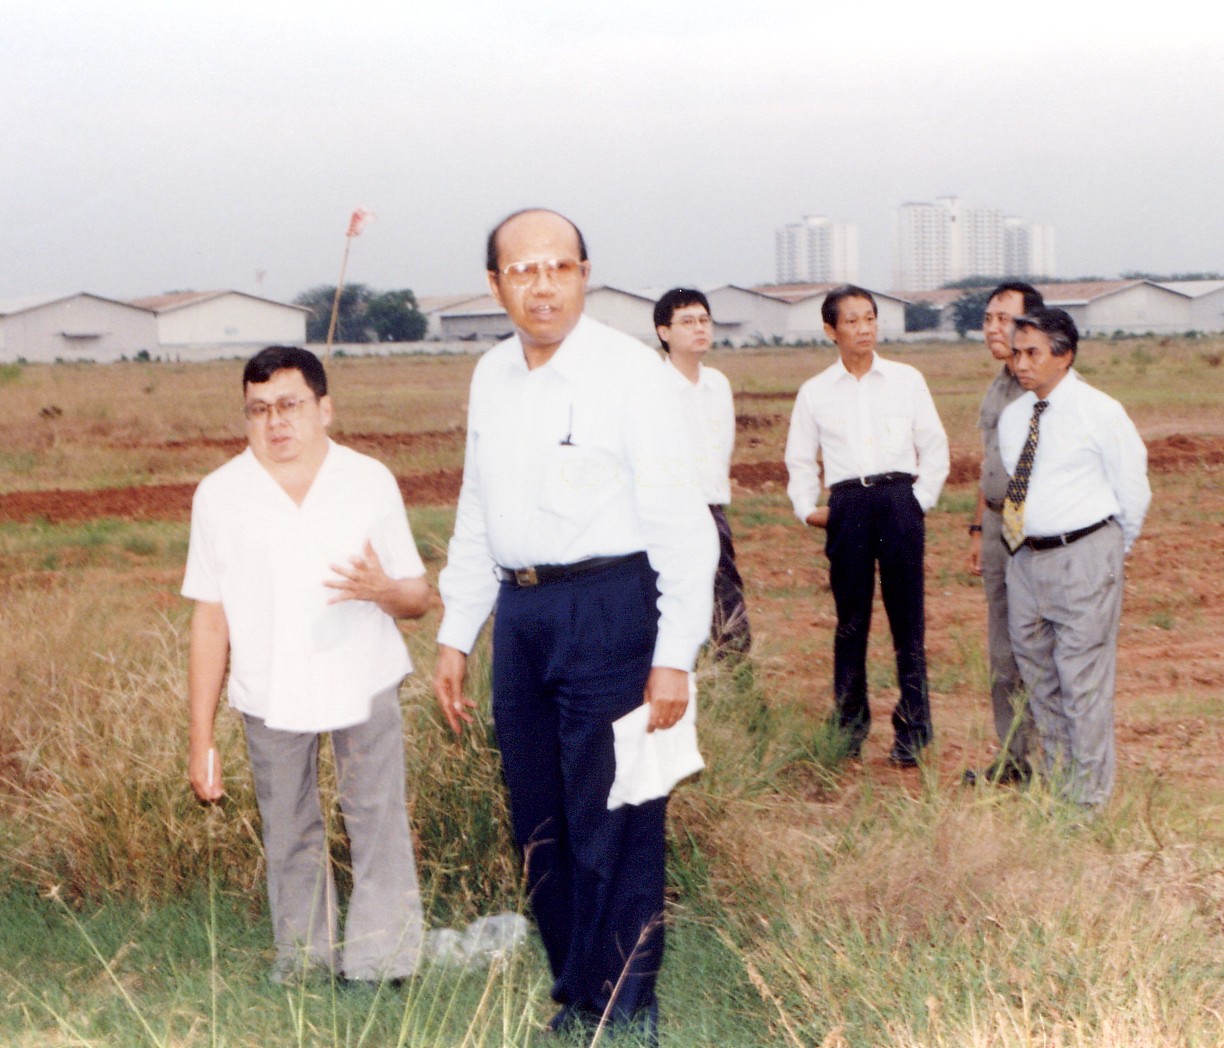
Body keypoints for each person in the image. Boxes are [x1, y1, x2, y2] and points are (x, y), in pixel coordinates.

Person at [432, 209, 717, 1040]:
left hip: (610, 608)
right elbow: (478, 509)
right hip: (521, 613)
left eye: (560, 267)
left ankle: (624, 1005)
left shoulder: (631, 375)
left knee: (615, 811)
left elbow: (682, 525)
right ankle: (577, 989)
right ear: (496, 285)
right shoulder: (490, 375)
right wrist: (457, 632)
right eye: (524, 270)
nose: (543, 285)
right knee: (540, 814)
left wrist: (675, 655)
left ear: (585, 275)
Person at [184, 345, 431, 987]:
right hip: (269, 690)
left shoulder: (368, 479)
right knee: (289, 829)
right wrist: (201, 738)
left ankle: (383, 963)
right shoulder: (219, 495)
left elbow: (416, 598)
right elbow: (210, 621)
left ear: (324, 409)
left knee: (376, 819)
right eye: (258, 409)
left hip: (363, 678)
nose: (275, 422)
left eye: (289, 405)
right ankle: (303, 962)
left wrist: (382, 589)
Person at [784, 285, 949, 766]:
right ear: (830, 330)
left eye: (870, 318)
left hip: (899, 500)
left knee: (908, 623)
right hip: (848, 505)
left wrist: (919, 500)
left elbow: (934, 446)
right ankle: (848, 729)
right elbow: (799, 458)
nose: (864, 329)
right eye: (852, 321)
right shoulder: (815, 392)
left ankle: (913, 732)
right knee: (851, 622)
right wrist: (807, 508)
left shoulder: (906, 379)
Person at [999, 308, 1150, 809]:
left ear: (1064, 356)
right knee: (1039, 680)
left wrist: (1107, 554)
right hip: (1026, 560)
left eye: (1033, 353)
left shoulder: (1100, 411)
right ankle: (1060, 786)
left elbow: (1133, 491)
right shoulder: (1014, 417)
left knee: (1082, 683)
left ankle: (1088, 803)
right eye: (1016, 353)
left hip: (1085, 556)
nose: (1021, 363)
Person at [963, 281, 1045, 787]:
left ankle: (1052, 759)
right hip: (996, 524)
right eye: (988, 318)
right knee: (1001, 649)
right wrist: (977, 527)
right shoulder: (998, 385)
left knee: (1037, 645)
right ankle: (1013, 760)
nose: (993, 328)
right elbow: (989, 465)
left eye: (1004, 319)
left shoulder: (1043, 387)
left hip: (1033, 529)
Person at [653, 287, 751, 656]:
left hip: (711, 512)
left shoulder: (718, 385)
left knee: (727, 607)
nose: (699, 328)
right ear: (664, 332)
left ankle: (732, 680)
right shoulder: (652, 388)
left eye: (704, 320)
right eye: (688, 321)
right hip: (667, 516)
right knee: (669, 610)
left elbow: (721, 449)